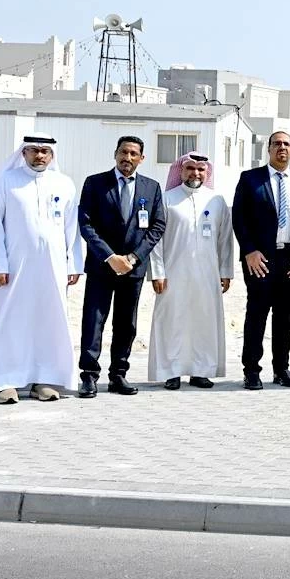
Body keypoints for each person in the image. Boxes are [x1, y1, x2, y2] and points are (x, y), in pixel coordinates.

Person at [0, 135, 81, 404]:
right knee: (10, 322)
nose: (40, 156)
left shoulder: (64, 184)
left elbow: (72, 229)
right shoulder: (6, 182)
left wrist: (74, 265)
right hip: (13, 270)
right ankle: (5, 381)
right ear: (23, 153)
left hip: (53, 269)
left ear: (52, 155)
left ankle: (42, 380)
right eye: (34, 150)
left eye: (45, 151)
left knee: (48, 322)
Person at [74, 134, 165, 398]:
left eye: (133, 154)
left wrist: (134, 258)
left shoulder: (152, 187)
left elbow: (157, 226)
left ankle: (118, 375)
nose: (128, 158)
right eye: (124, 153)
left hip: (133, 268)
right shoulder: (95, 183)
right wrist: (110, 256)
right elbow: (86, 224)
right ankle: (89, 376)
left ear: (141, 158)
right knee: (94, 321)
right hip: (103, 266)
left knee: (126, 324)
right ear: (115, 154)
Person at [231, 130, 290, 390]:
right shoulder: (250, 179)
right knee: (256, 314)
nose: (282, 147)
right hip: (260, 258)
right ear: (268, 149)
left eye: (287, 144)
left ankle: (281, 368)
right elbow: (239, 217)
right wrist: (249, 251)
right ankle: (252, 371)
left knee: (284, 316)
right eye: (277, 143)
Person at [147, 151, 232, 390]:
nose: (195, 173)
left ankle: (201, 371)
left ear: (207, 173)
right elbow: (156, 240)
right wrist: (157, 272)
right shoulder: (166, 199)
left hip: (207, 274)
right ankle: (170, 371)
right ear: (181, 171)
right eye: (190, 168)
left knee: (203, 321)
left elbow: (225, 239)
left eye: (201, 169)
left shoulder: (216, 200)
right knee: (171, 321)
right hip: (172, 274)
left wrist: (225, 271)